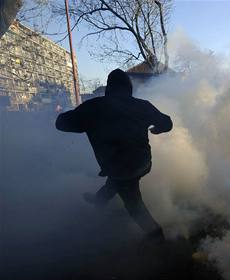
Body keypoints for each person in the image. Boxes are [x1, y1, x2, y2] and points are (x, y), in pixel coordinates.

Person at [55, 69, 172, 242]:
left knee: (132, 201)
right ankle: (100, 200)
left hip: (120, 168)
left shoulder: (93, 107)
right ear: (128, 87)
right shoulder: (142, 105)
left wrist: (82, 119)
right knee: (118, 181)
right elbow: (167, 123)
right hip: (144, 163)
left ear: (109, 88)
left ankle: (157, 237)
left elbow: (61, 123)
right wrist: (157, 129)